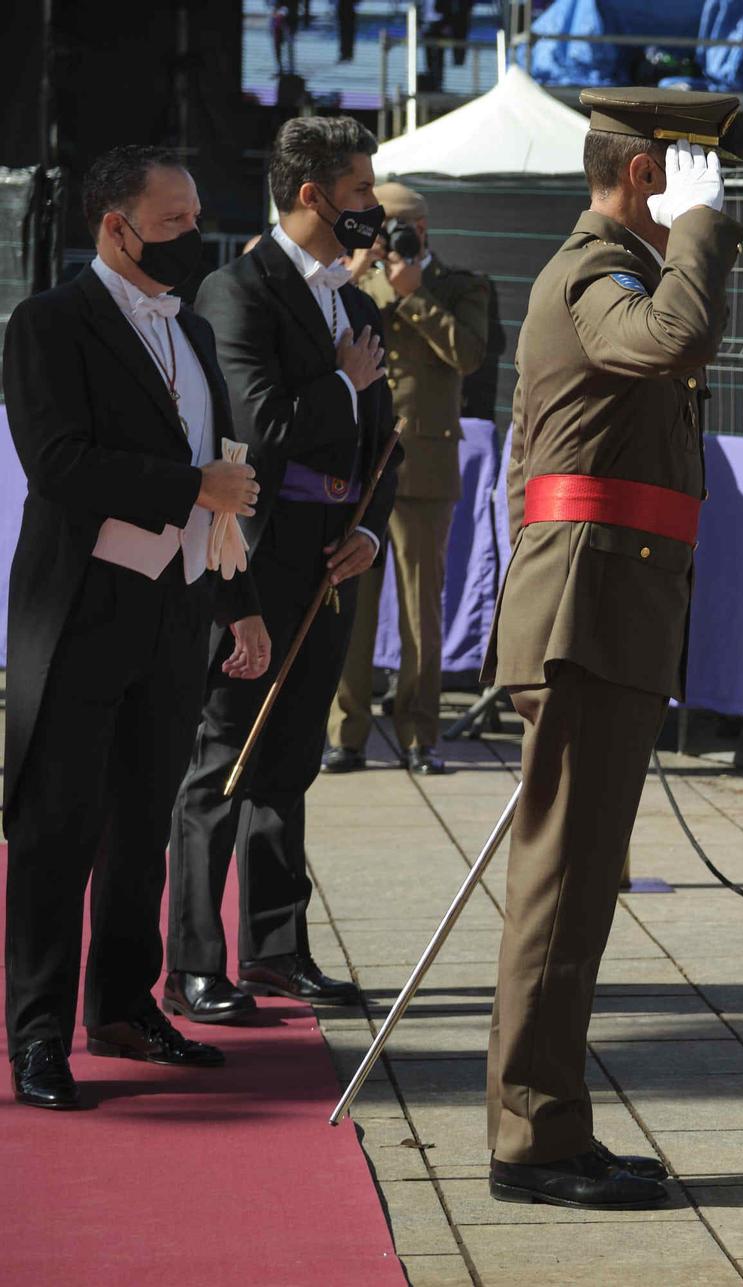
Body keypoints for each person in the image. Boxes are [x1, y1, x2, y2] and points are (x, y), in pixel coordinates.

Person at [482, 87, 742, 1210]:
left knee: (582, 886)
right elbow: (673, 337)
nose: (712, 194)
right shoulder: (600, 269)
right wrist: (702, 231)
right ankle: (530, 1139)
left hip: (602, 605)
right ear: (647, 174)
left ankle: (552, 1124)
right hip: (588, 614)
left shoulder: (613, 269)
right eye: (693, 174)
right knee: (561, 882)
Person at [3, 146, 270, 1109]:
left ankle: (122, 1002)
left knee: (143, 826)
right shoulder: (47, 323)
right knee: (55, 829)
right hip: (81, 609)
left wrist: (236, 599)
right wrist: (188, 487)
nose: (193, 237)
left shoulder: (193, 334)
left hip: (177, 606)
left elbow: (222, 469)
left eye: (196, 216)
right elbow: (61, 463)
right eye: (172, 222)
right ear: (114, 226)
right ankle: (37, 1033)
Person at [165, 116, 400, 1024]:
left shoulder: (356, 302)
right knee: (224, 751)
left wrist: (370, 533)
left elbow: (388, 446)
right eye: (358, 192)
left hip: (335, 548)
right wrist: (341, 384)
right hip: (256, 554)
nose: (371, 208)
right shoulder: (242, 289)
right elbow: (257, 426)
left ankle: (276, 947)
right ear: (312, 196)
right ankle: (194, 958)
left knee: (292, 755)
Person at [325, 180, 490, 776]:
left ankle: (422, 737)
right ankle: (346, 735)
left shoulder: (459, 285)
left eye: (403, 227)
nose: (393, 238)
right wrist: (357, 270)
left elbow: (471, 355)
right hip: (360, 468)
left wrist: (416, 297)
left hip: (423, 468)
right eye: (381, 226)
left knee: (422, 610)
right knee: (351, 608)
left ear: (423, 230)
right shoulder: (346, 281)